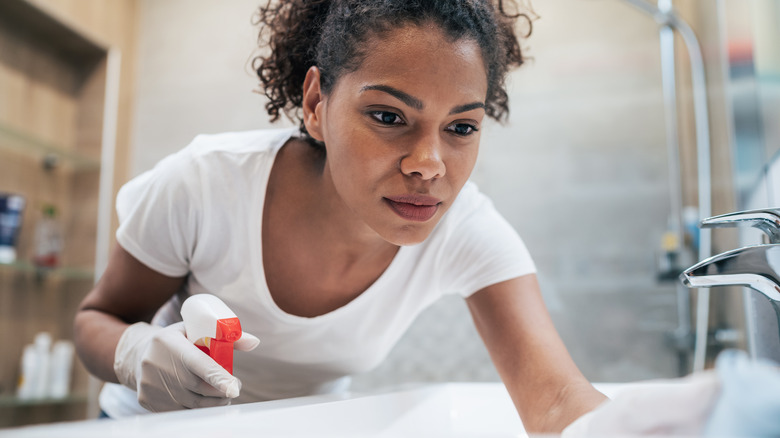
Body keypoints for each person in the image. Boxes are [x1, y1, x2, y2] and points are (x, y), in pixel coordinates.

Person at [73, 0, 607, 433]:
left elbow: (556, 398)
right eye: (387, 116)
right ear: (315, 104)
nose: (428, 165)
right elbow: (94, 320)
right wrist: (132, 351)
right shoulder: (205, 184)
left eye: (462, 127)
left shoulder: (468, 230)